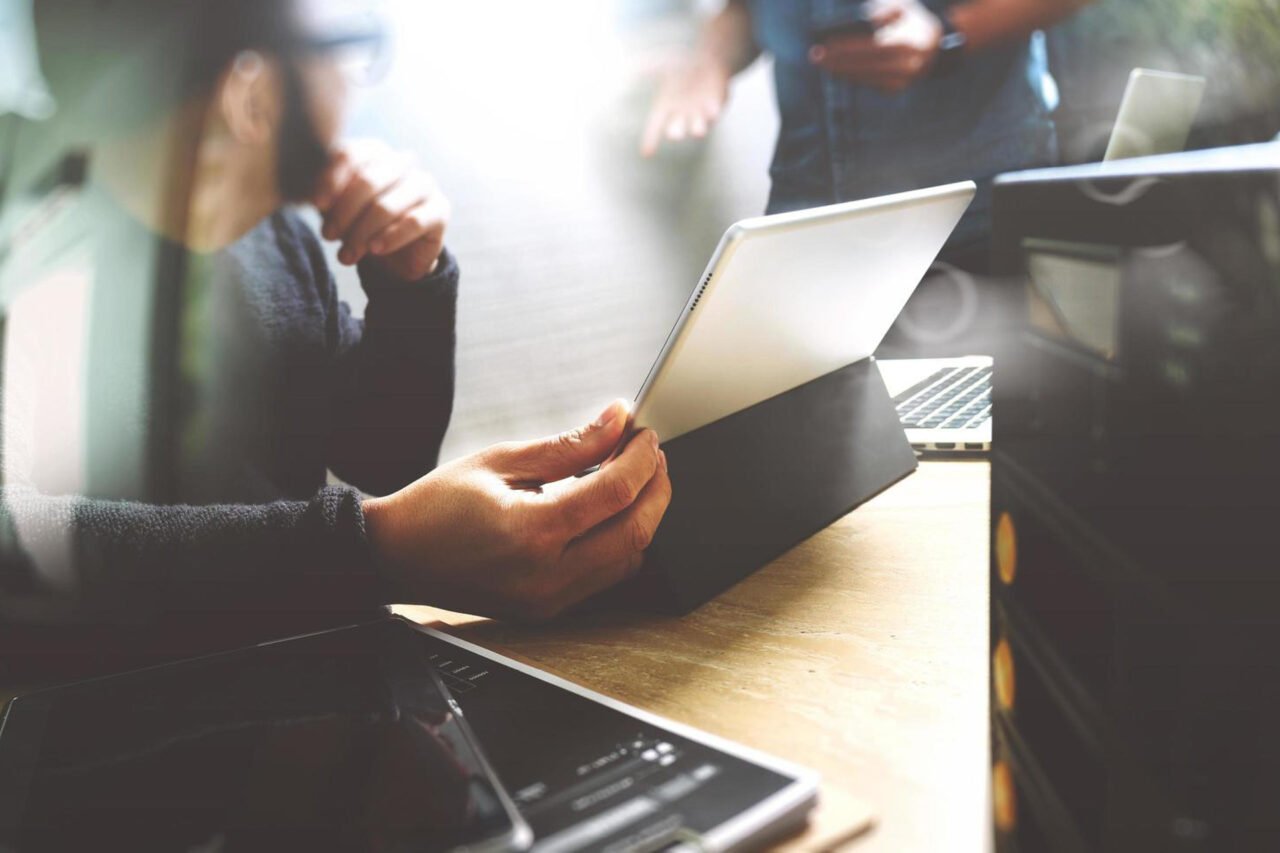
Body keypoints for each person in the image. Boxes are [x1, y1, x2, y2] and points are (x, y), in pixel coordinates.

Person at [0, 0, 671, 677]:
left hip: (296, 701)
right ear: (253, 93)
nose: (357, 84)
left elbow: (385, 458)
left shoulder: (273, 237)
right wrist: (372, 550)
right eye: (352, 46)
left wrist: (409, 285)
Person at [642, 0, 1091, 270]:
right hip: (802, 217)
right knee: (813, 424)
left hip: (968, 211)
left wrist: (950, 36)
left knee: (951, 422)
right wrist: (709, 58)